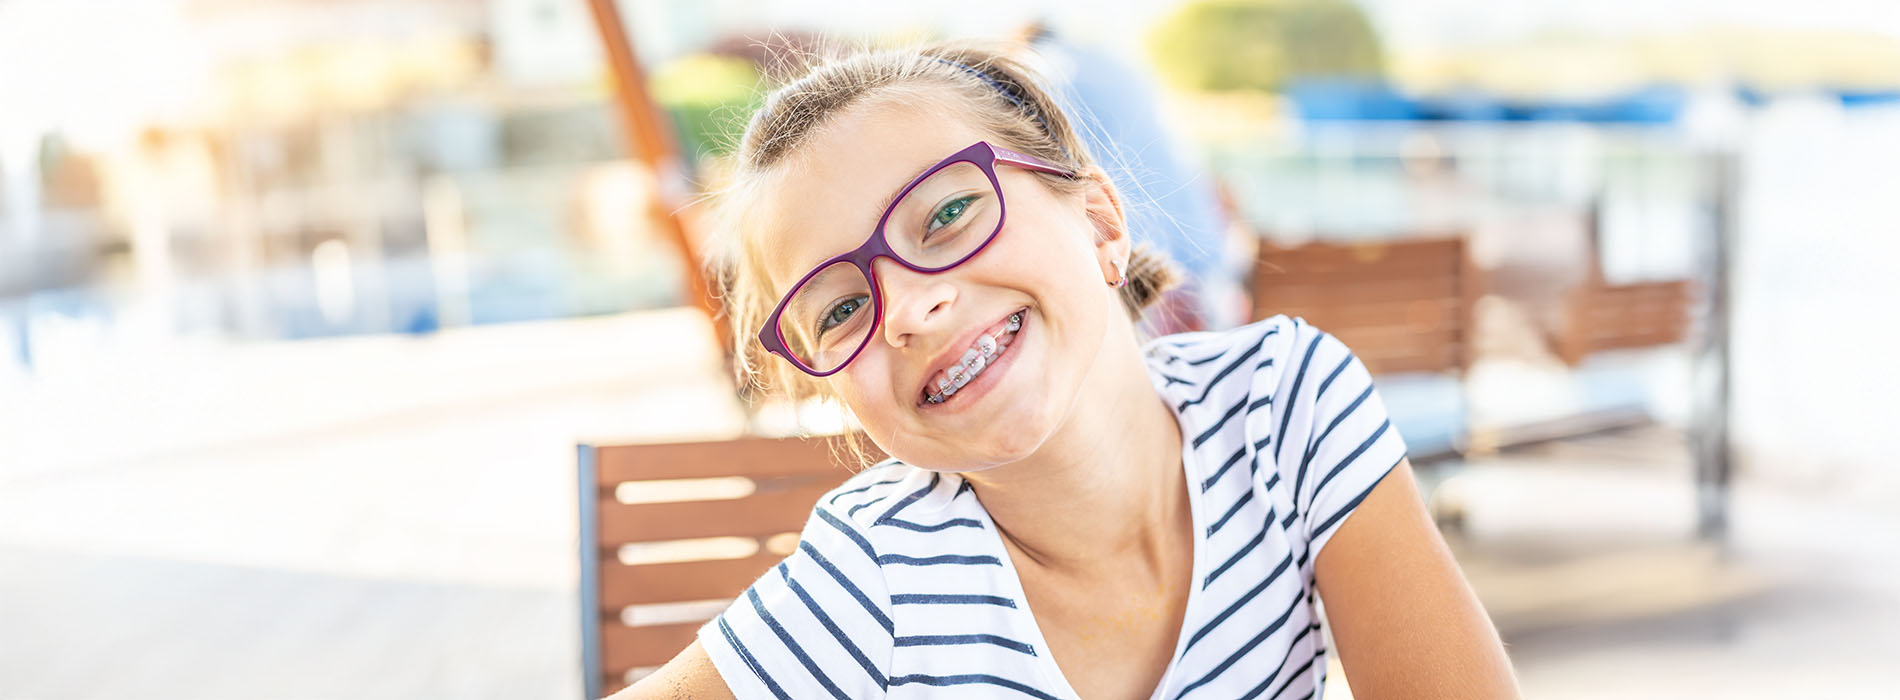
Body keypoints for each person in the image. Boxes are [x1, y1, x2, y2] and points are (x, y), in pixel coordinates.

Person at [616, 42, 1517, 700]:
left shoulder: (1284, 405)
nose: (907, 309)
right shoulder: (879, 576)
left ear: (1099, 223)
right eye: (842, 308)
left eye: (949, 214)